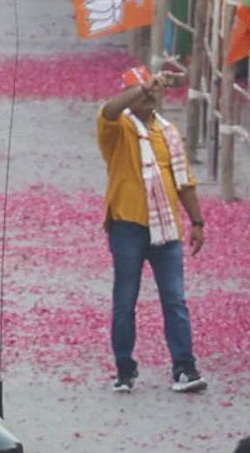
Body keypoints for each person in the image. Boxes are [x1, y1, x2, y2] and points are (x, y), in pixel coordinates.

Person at [98, 77, 207, 393]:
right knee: (125, 300)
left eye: (153, 91)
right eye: (140, 91)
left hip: (167, 230)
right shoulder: (118, 130)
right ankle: (124, 368)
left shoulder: (169, 133)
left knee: (175, 300)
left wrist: (197, 222)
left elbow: (184, 181)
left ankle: (185, 367)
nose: (148, 96)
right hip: (127, 227)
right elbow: (110, 110)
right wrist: (136, 91)